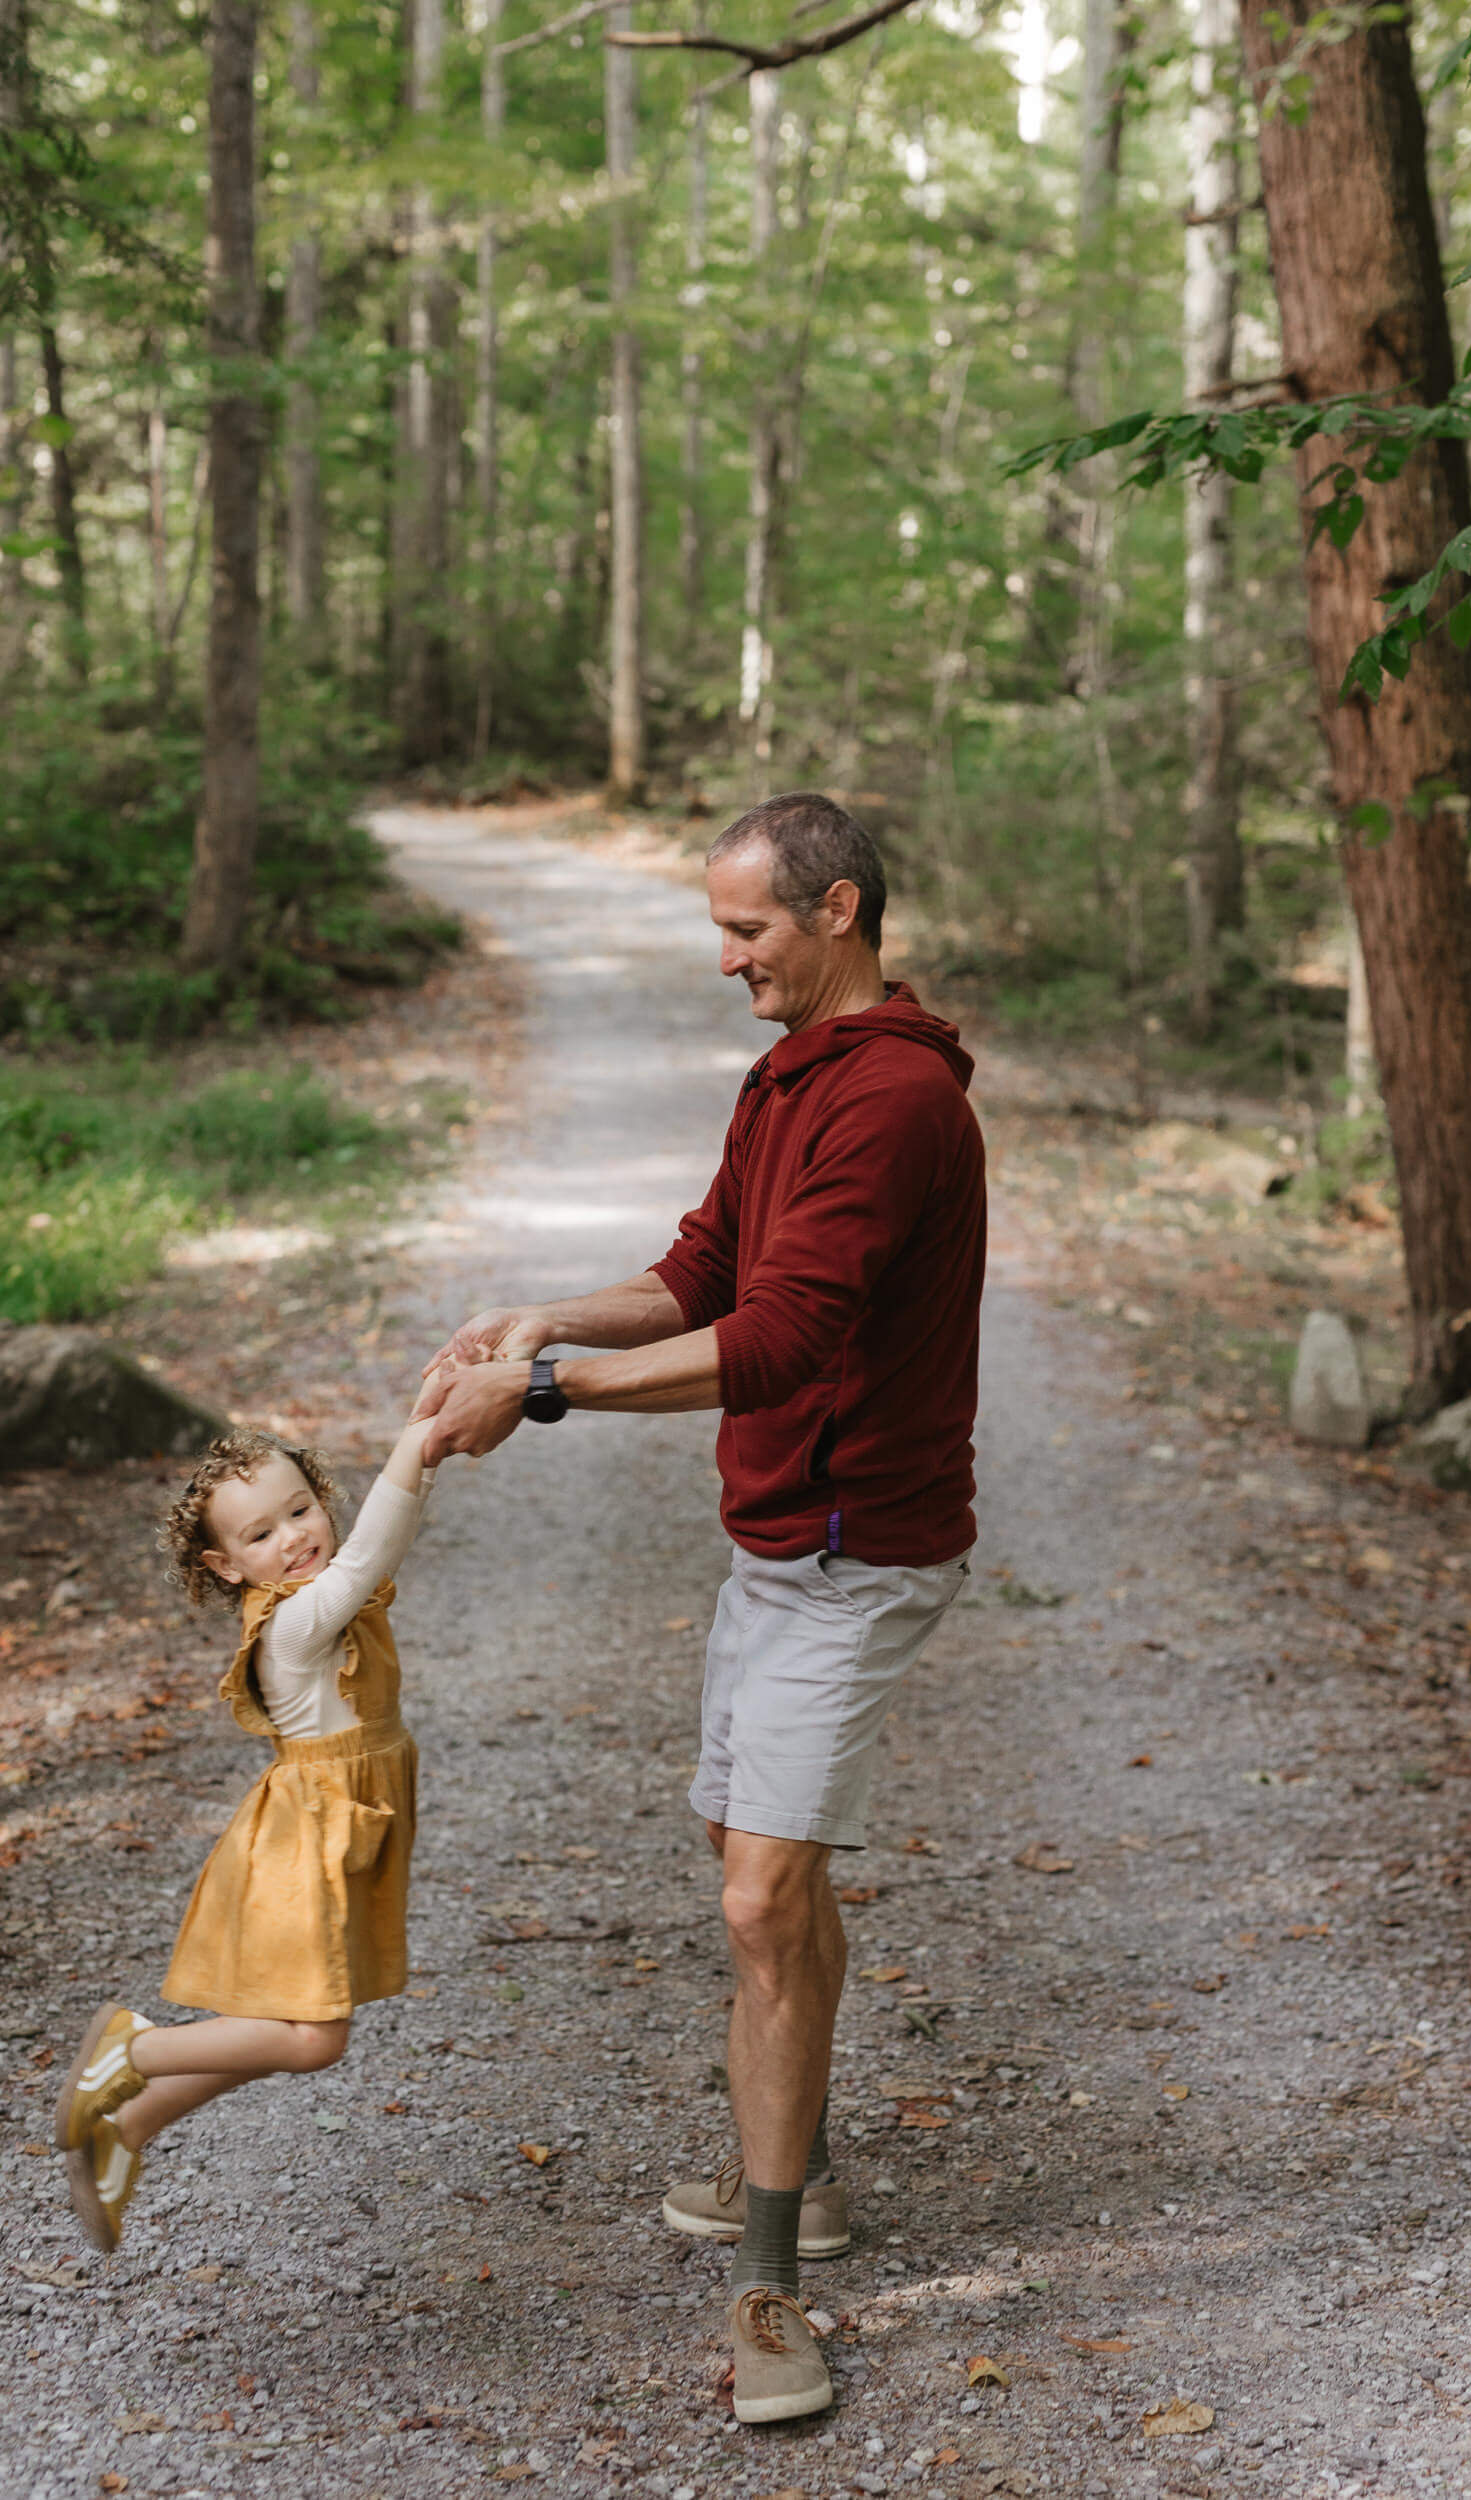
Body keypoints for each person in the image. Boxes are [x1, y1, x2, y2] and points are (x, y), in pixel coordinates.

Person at [419, 791, 986, 2424]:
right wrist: (541, 1312)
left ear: (838, 911)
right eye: (717, 933)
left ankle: (772, 2288)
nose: (724, 962)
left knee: (757, 1902)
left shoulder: (888, 1103)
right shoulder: (787, 1079)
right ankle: (793, 2173)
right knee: (766, 1889)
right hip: (776, 1542)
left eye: (746, 932)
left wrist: (542, 1392)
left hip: (856, 1553)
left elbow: (786, 1338)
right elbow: (704, 1271)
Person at [53, 1412, 441, 2252]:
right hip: (312, 1843)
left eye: (300, 1510)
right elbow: (377, 1546)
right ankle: (128, 2053)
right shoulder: (300, 1625)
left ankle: (125, 2128)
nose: (294, 1538)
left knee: (279, 2030)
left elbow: (358, 1557)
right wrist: (421, 1443)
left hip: (342, 1833)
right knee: (312, 2041)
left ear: (319, 1498)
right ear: (225, 1567)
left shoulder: (319, 1600)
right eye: (260, 1534)